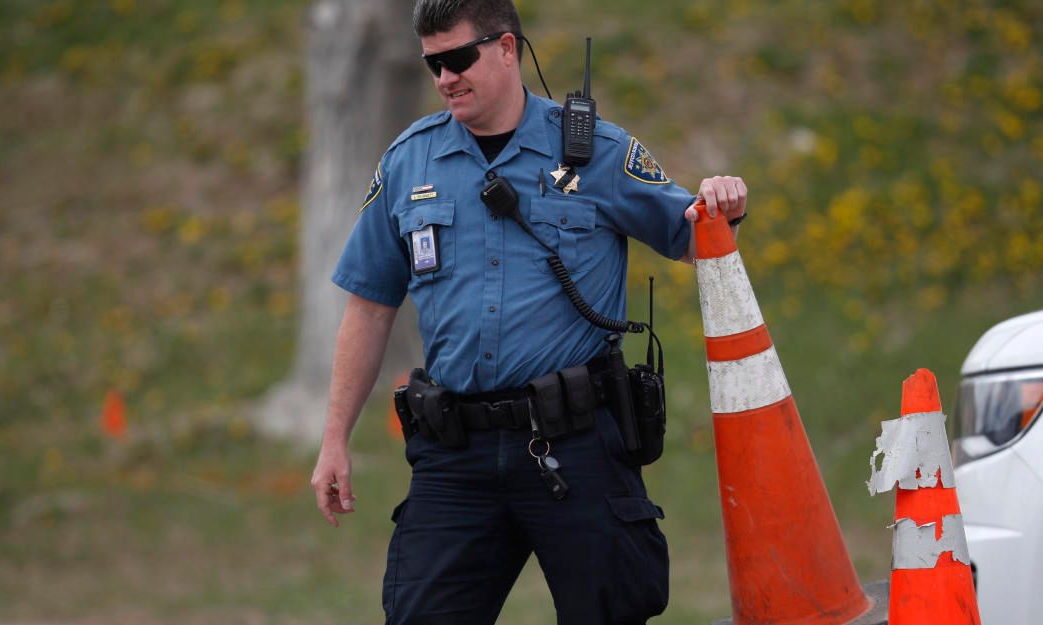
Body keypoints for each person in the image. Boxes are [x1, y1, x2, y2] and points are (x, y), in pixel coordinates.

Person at [309, 1, 746, 623]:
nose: (444, 79)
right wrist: (334, 440)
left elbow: (690, 236)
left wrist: (720, 203)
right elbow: (370, 306)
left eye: (458, 59)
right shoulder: (410, 162)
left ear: (508, 49)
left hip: (574, 444)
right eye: (432, 64)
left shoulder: (594, 149)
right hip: (455, 454)